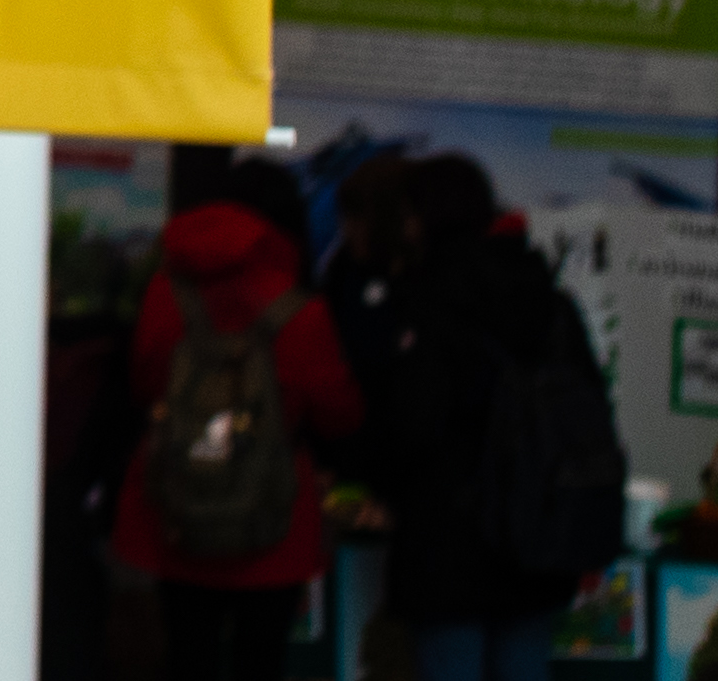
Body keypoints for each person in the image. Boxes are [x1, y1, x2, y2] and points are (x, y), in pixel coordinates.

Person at [369, 154, 619, 681]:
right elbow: (593, 412)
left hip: (448, 545)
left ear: (425, 218)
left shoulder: (428, 305)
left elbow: (412, 429)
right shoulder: (550, 303)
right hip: (541, 536)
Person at [115, 157, 366, 681]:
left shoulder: (166, 291)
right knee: (261, 659)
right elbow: (337, 413)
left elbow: (142, 384)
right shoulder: (300, 309)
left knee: (188, 654)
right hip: (272, 513)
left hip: (176, 502)